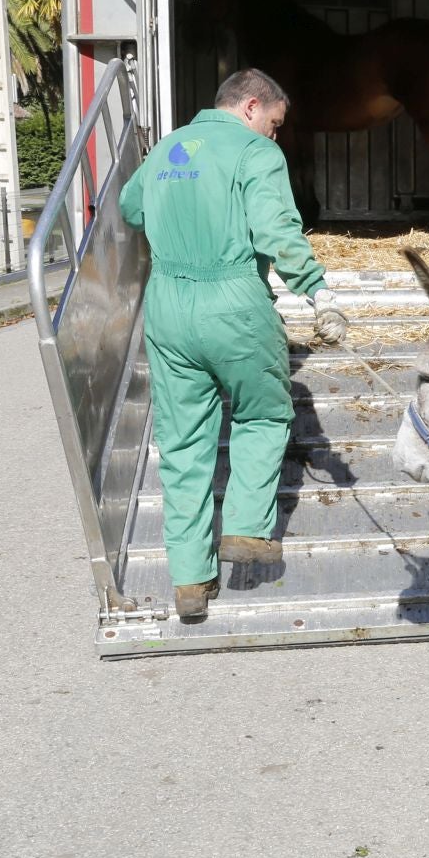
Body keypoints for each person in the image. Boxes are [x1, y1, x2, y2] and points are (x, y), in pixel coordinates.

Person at [118, 69, 346, 622]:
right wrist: (318, 291)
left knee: (182, 443)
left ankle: (191, 580)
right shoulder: (255, 155)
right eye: (273, 124)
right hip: (234, 301)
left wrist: (180, 216)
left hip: (168, 305)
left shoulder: (169, 146)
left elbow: (130, 207)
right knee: (264, 413)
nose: (274, 136)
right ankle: (245, 527)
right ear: (250, 107)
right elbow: (274, 231)